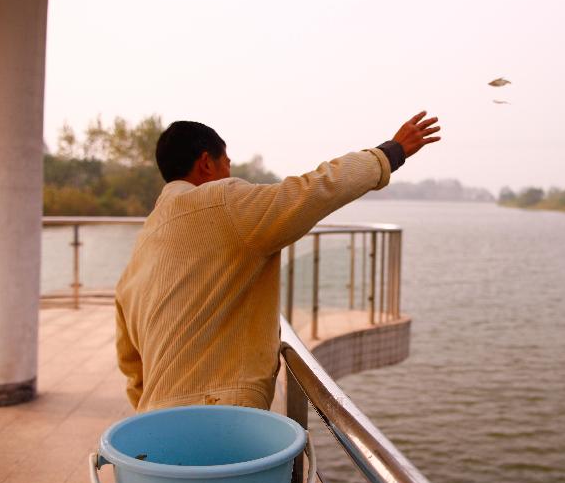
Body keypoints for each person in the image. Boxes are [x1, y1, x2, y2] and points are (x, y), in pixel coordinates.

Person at [115, 111, 440, 411]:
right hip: (223, 419)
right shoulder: (225, 203)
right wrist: (390, 153)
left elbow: (131, 364)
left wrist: (152, 412)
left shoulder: (144, 241)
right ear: (206, 164)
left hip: (154, 420)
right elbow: (316, 189)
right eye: (226, 163)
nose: (230, 172)